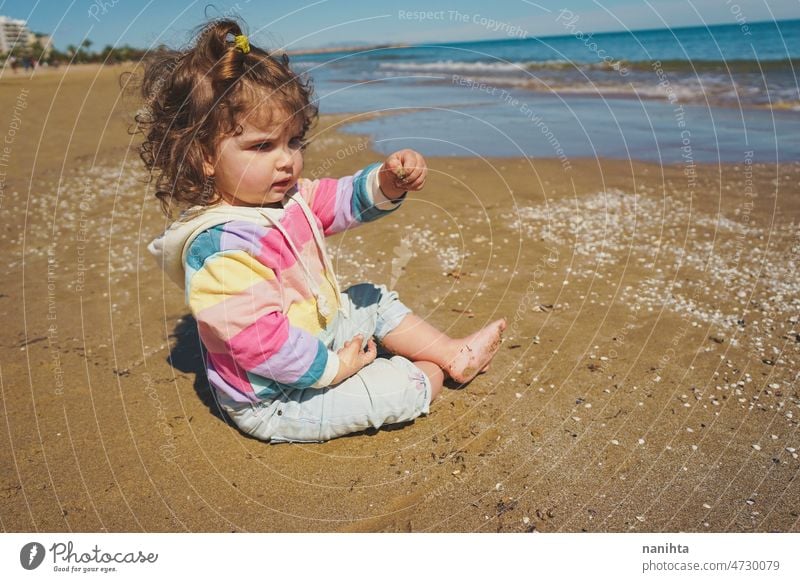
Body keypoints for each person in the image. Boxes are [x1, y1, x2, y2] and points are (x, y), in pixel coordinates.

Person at [143, 19, 506, 443]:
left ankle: (452, 353)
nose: (286, 161)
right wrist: (336, 369)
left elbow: (339, 200)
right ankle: (422, 375)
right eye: (263, 146)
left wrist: (386, 183)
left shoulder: (287, 199)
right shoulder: (221, 247)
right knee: (407, 386)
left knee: (371, 299)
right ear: (204, 156)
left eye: (293, 141)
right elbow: (261, 343)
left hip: (319, 336)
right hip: (277, 396)